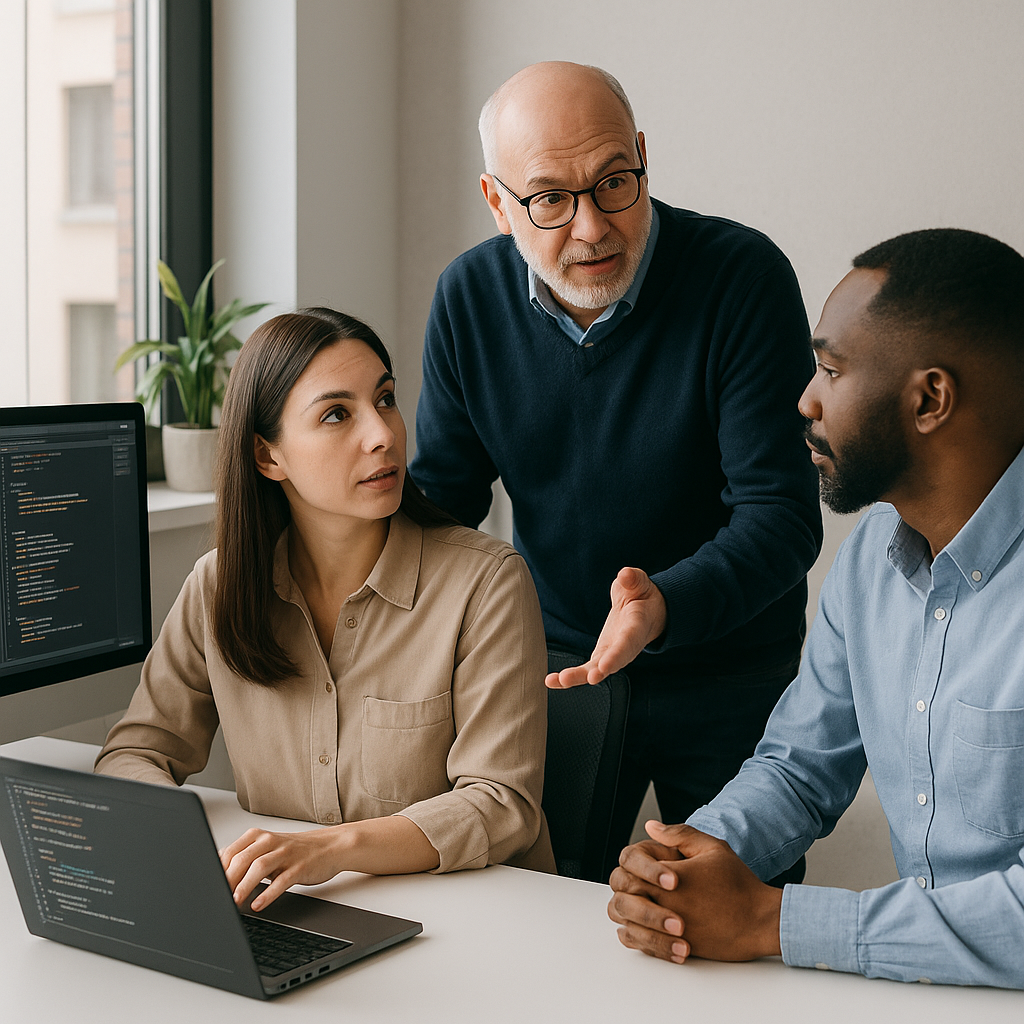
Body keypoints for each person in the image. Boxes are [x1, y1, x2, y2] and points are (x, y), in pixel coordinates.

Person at [409, 61, 822, 878]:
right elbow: (445, 505)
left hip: (729, 662)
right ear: (497, 204)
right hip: (562, 662)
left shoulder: (741, 277)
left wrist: (663, 602)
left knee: (726, 922)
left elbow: (781, 518)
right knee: (542, 899)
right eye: (550, 199)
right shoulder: (467, 298)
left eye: (613, 183)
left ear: (641, 156)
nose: (592, 227)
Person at [608, 228, 1024, 989]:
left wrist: (772, 922)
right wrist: (688, 860)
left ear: (929, 398)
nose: (804, 399)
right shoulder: (871, 560)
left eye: (830, 368)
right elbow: (799, 769)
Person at [96, 307, 554, 911]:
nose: (384, 434)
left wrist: (333, 849)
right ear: (267, 457)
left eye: (385, 399)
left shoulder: (486, 582)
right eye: (337, 414)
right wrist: (193, 845)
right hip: (289, 911)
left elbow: (502, 804)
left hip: (474, 918)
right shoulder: (219, 586)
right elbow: (135, 752)